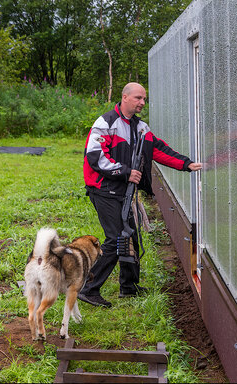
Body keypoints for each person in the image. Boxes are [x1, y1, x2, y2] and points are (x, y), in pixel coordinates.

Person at [78, 82, 202, 307]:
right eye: (138, 98)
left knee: (130, 237)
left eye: (144, 99)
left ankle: (129, 287)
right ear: (124, 97)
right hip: (104, 190)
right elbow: (95, 156)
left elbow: (159, 150)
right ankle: (88, 288)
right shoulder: (106, 123)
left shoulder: (140, 128)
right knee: (117, 240)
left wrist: (186, 164)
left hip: (124, 191)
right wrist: (126, 172)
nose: (142, 103)